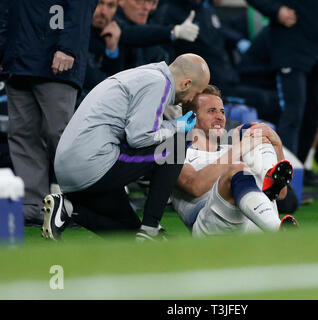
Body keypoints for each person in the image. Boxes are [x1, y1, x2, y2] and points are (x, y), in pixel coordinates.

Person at [41, 54, 210, 241]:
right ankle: (151, 228)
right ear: (186, 84)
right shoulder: (158, 83)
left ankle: (68, 209)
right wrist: (176, 126)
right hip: (94, 163)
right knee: (175, 145)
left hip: (71, 168)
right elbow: (140, 138)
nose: (193, 99)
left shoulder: (148, 73)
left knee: (129, 235)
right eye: (197, 92)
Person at [0, 0, 97, 225]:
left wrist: (68, 47)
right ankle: (33, 205)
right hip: (17, 59)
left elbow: (81, 6)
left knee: (61, 135)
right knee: (22, 134)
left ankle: (80, 204)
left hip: (55, 58)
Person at [171, 85, 298, 237]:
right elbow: (194, 186)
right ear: (192, 118)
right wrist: (240, 148)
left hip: (252, 222)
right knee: (238, 169)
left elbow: (281, 194)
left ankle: (272, 219)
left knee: (257, 132)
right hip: (210, 227)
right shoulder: (176, 152)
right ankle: (276, 228)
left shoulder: (232, 149)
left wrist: (277, 146)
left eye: (222, 111)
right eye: (212, 111)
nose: (220, 117)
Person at [153, 0, 281, 129]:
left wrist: (237, 41)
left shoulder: (206, 9)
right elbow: (164, 54)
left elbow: (221, 31)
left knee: (276, 99)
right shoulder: (171, 11)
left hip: (230, 80)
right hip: (209, 87)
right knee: (268, 102)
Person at [82, 0, 125, 101]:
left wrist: (112, 49)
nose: (103, 12)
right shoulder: (75, 30)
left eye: (110, 6)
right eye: (99, 3)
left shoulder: (116, 32)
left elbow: (118, 82)